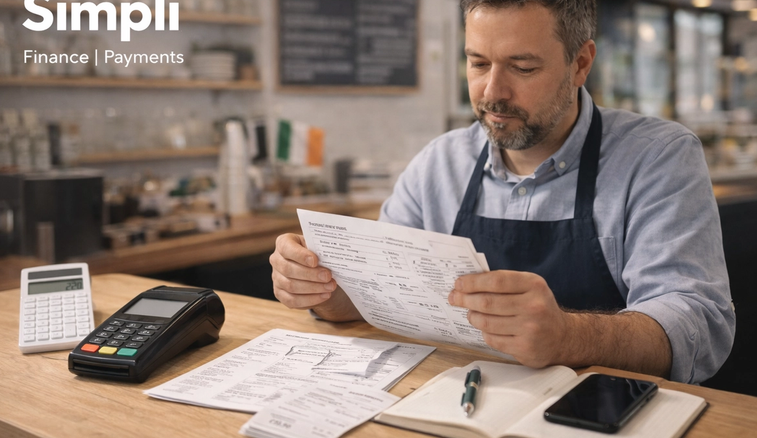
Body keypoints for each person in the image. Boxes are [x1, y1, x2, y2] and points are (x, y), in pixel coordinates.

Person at [269, 0, 735, 384]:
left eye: (522, 67)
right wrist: (327, 292)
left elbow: (698, 323)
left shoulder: (658, 158)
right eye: (478, 63)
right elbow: (384, 295)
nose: (493, 91)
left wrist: (568, 336)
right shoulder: (439, 164)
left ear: (580, 63)